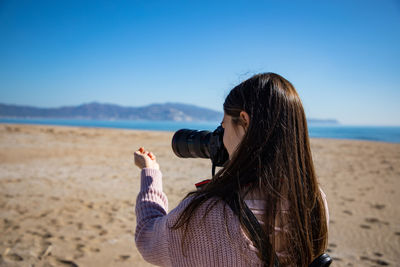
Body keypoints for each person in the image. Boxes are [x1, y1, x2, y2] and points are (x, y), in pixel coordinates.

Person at [134, 73, 329, 266]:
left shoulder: (208, 212)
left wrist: (150, 173)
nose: (221, 136)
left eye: (224, 126)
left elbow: (148, 239)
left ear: (244, 121)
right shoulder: (313, 201)